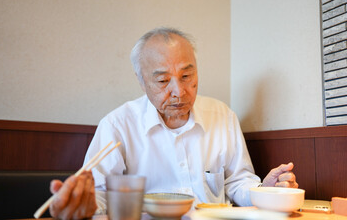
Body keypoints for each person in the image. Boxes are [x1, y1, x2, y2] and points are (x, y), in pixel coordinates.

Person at [49, 27, 298, 219]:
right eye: (162, 81)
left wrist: (265, 190)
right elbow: (101, 195)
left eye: (187, 76)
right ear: (141, 80)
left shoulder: (222, 116)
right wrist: (81, 202)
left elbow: (237, 182)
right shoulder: (117, 126)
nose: (179, 91)